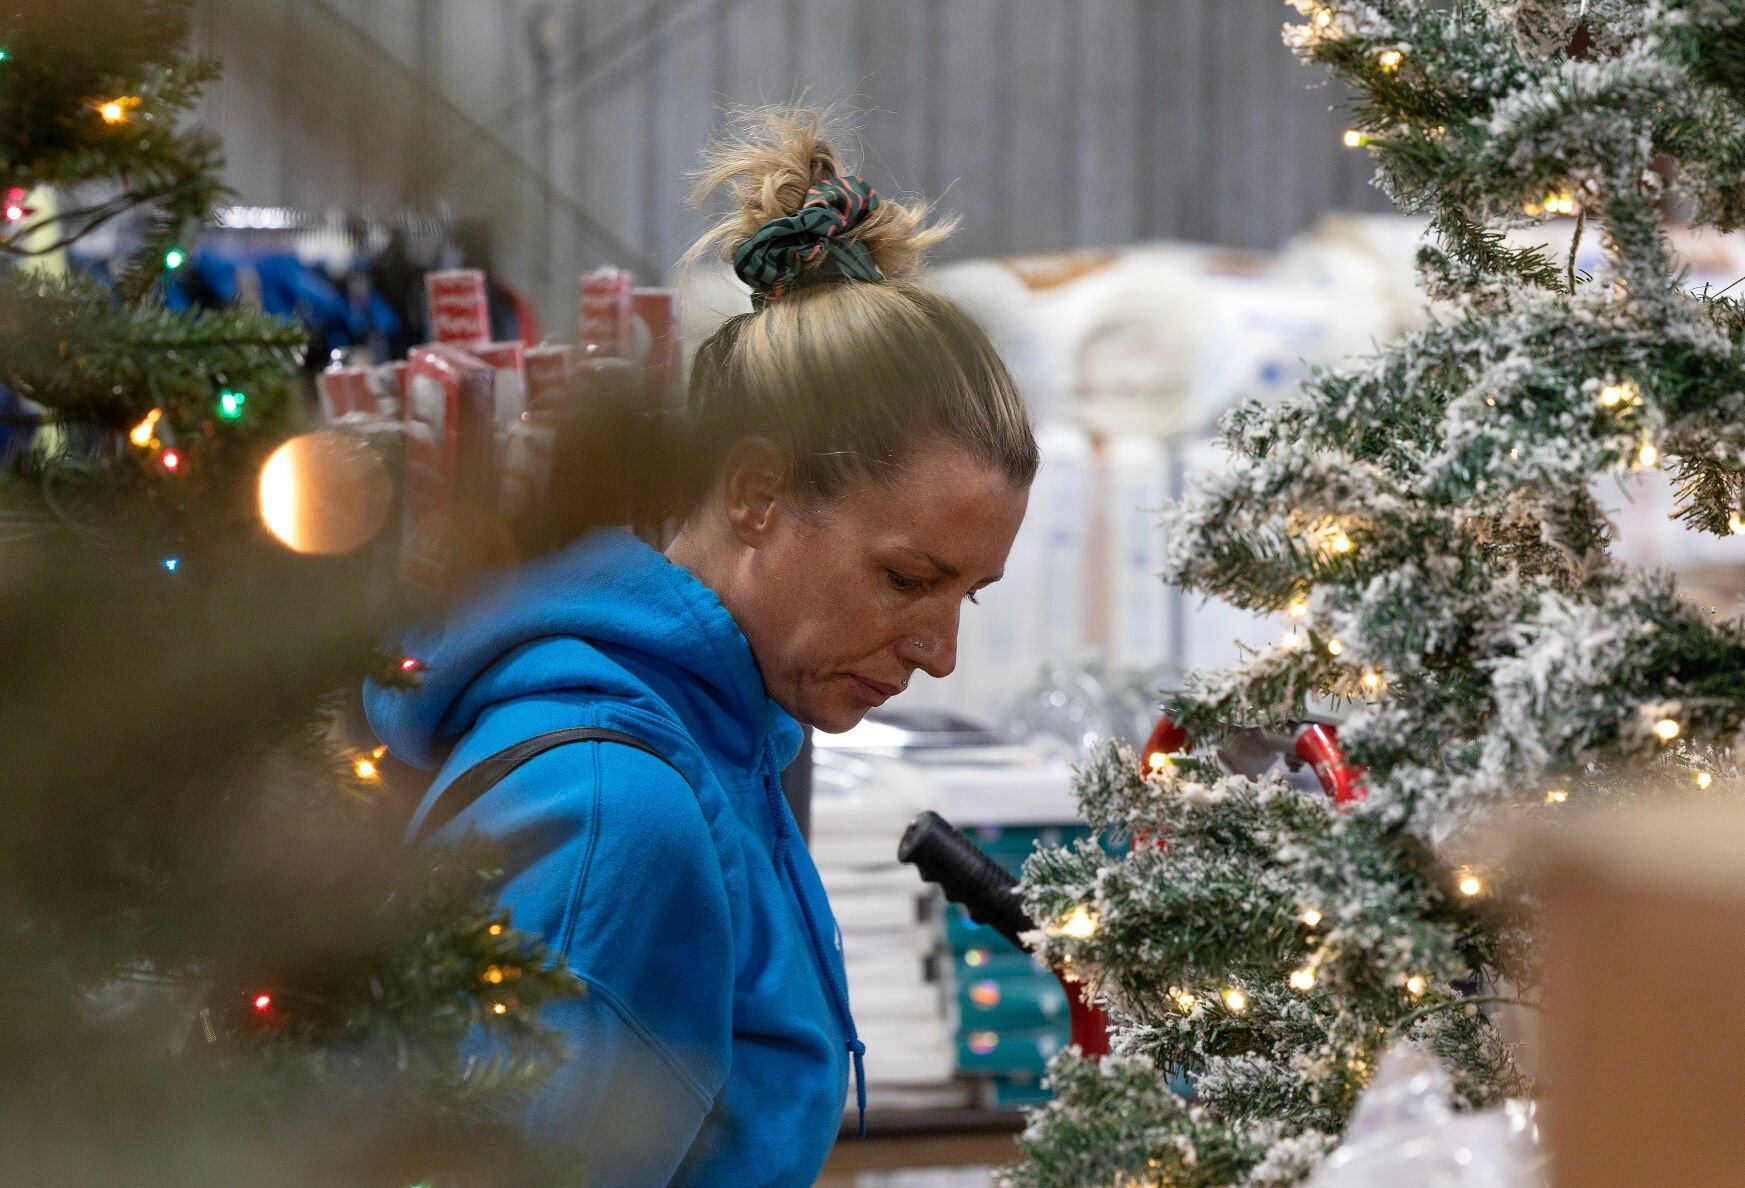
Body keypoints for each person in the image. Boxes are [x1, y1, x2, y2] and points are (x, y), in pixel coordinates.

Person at [365, 108, 1038, 1186]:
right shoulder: (616, 817)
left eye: (970, 595)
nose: (940, 651)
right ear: (756, 492)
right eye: (907, 579)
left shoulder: (718, 744)